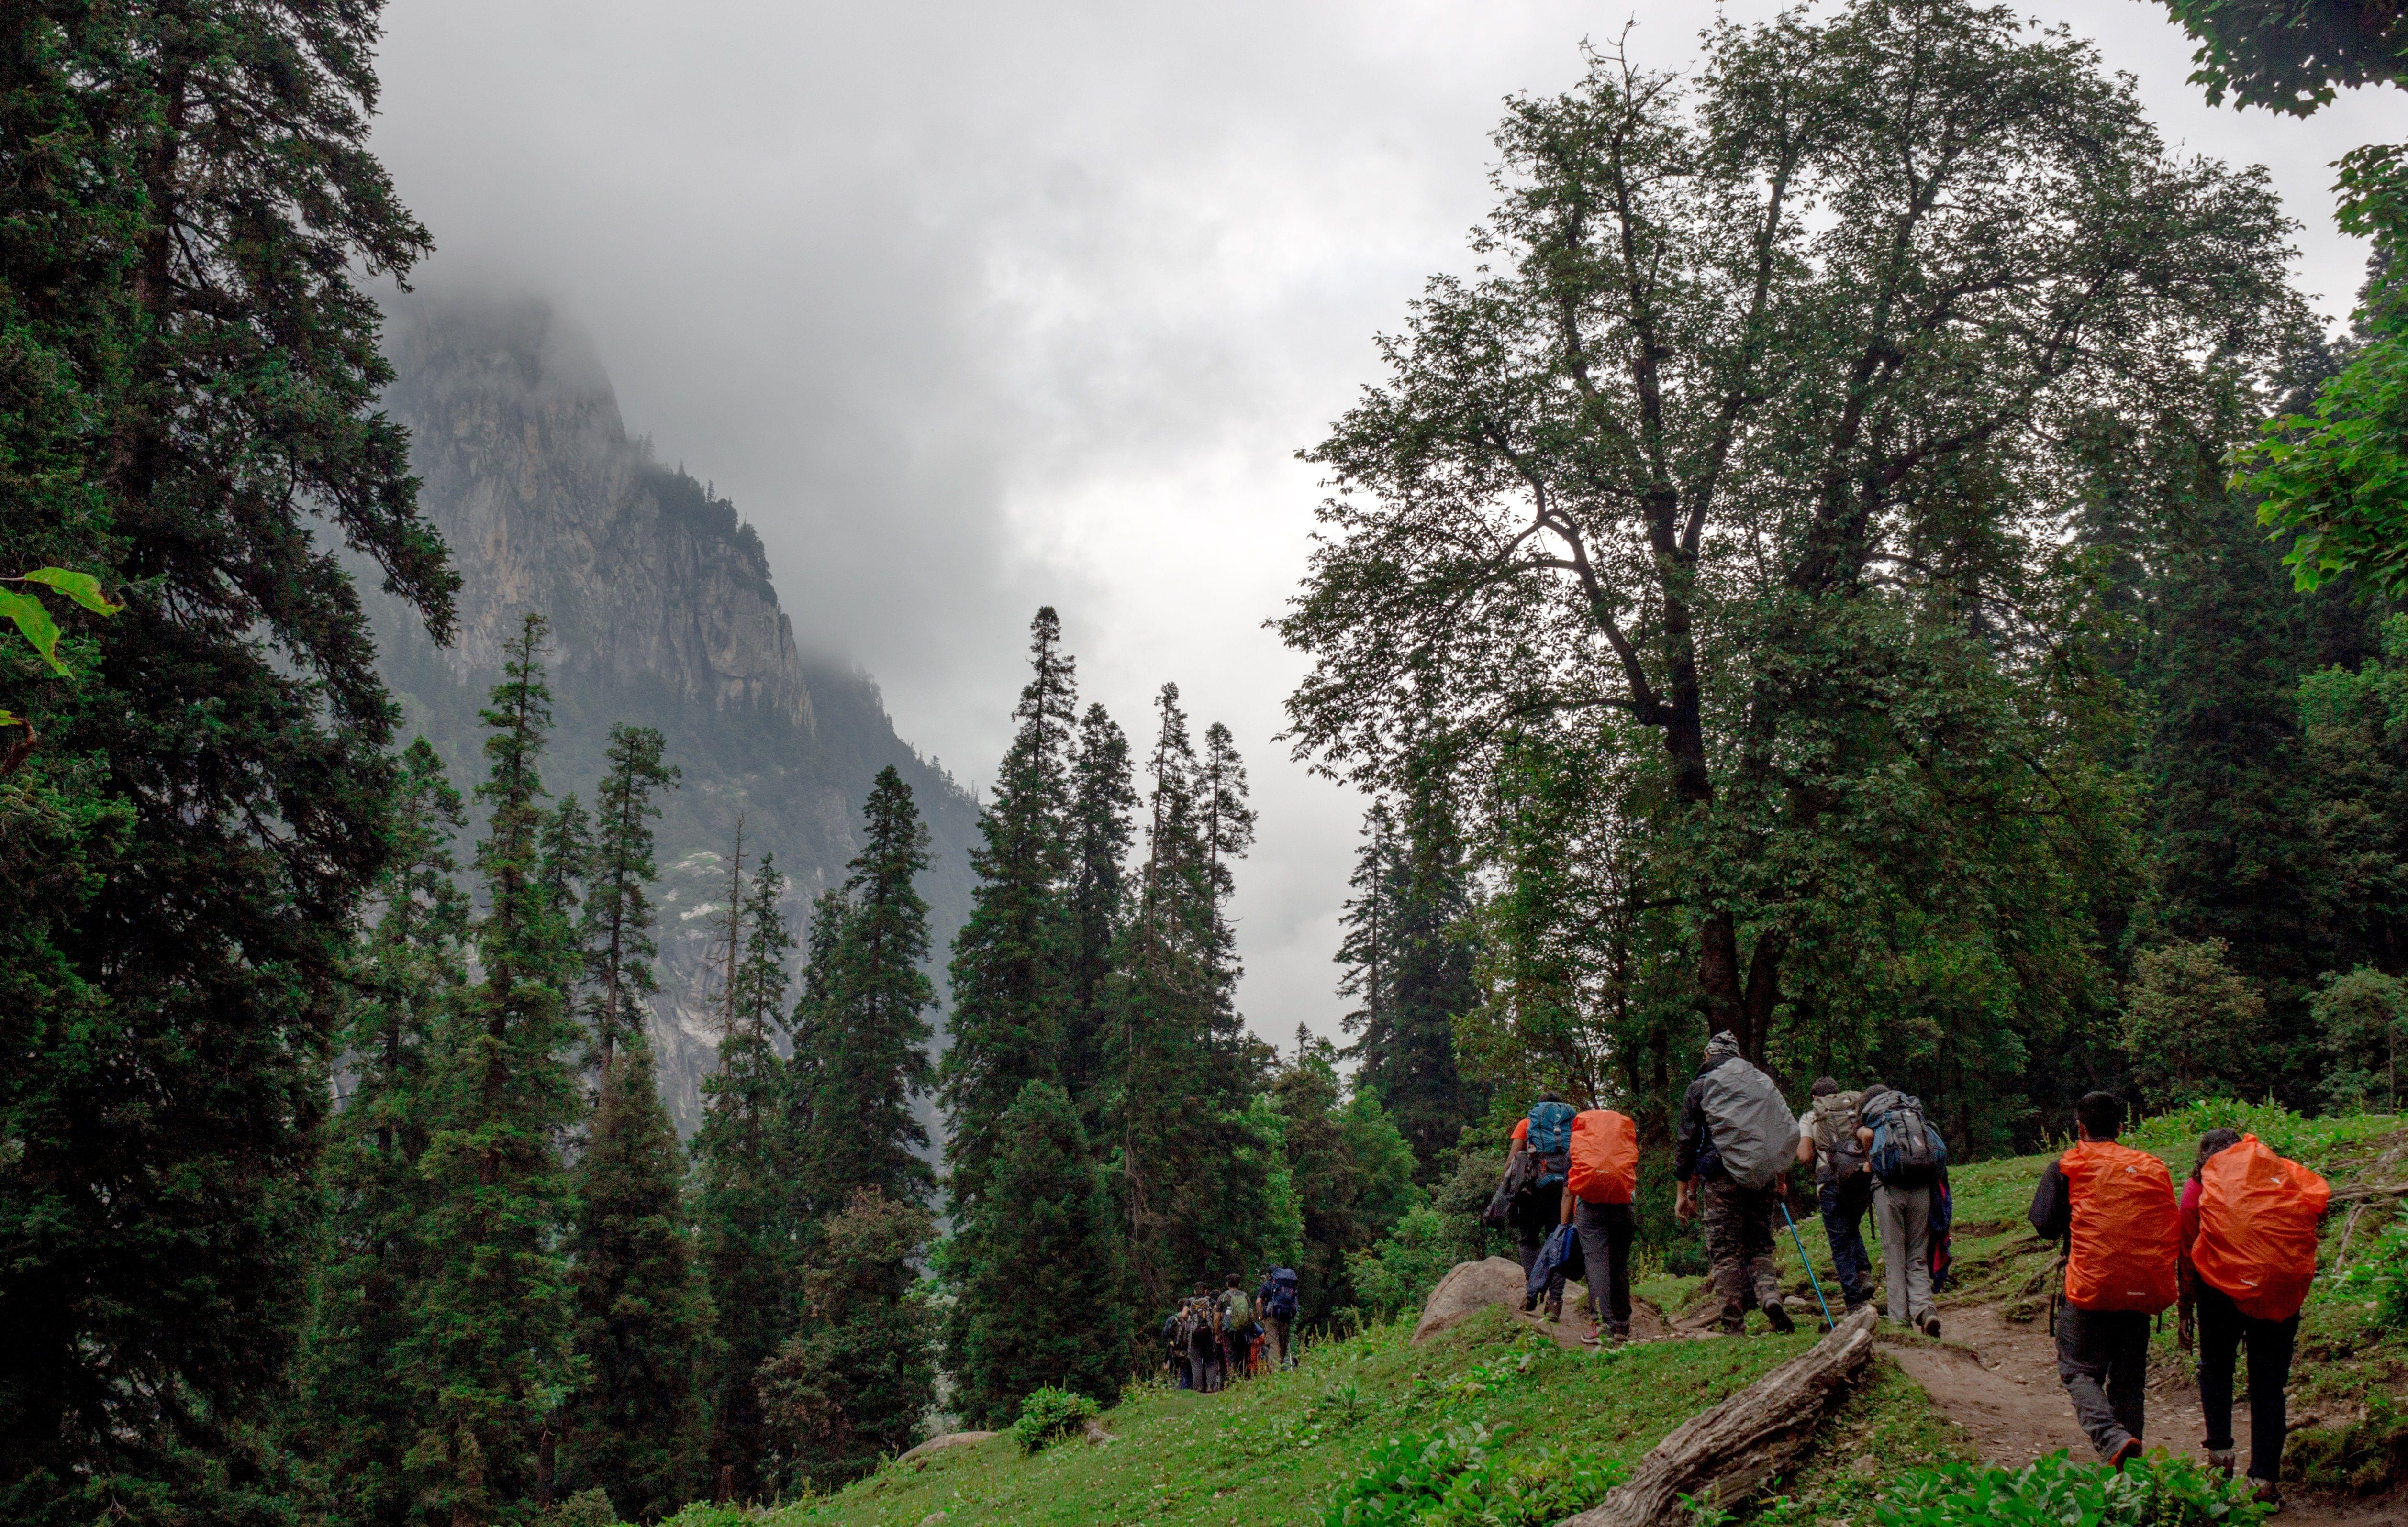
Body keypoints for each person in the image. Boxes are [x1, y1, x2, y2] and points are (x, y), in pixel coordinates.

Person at [2029, 1091, 2180, 1469]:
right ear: (2120, 1127)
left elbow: (2045, 1226)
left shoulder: (2067, 1165)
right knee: (2129, 1383)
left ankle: (2112, 1438)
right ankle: (2131, 1473)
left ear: (2080, 1127)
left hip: (2090, 1288)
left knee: (2078, 1370)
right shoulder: (2152, 1166)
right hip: (2141, 1289)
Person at [2181, 1127, 2330, 1507]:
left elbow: (2186, 1246)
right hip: (2277, 1291)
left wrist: (2186, 1305)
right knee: (2268, 1386)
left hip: (2218, 1292)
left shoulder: (2199, 1189)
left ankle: (2220, 1460)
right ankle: (2264, 1481)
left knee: (2216, 1368)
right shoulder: (2275, 1180)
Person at [1674, 1031, 1795, 1335]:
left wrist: (1683, 1193)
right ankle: (1769, 1296)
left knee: (1726, 1251)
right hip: (1761, 1176)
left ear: (1708, 1056)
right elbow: (1778, 1131)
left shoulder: (1699, 1087)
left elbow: (1686, 1143)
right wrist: (1780, 1177)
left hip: (1721, 1177)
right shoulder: (1761, 1084)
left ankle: (1733, 1325)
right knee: (1759, 1244)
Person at [1859, 1083, 1942, 1337]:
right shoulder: (1911, 1112)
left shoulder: (1873, 1119)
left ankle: (1899, 1321)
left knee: (1894, 1254)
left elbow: (1867, 1137)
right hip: (1921, 1188)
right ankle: (1925, 1309)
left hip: (1889, 1190)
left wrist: (1870, 1162)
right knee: (1917, 1253)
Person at [1795, 1077, 1876, 1312]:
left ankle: (1854, 1302)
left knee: (1840, 1243)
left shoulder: (1812, 1116)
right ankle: (1863, 1272)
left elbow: (1804, 1156)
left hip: (1830, 1183)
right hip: (1860, 1178)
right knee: (1852, 1228)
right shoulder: (1853, 1113)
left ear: (1814, 1098)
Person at [1561, 1105, 1639, 1341]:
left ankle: (1603, 1325)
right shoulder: (1624, 1141)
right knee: (1619, 1264)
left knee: (1596, 1263)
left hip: (1591, 1208)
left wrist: (1563, 1226)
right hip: (1623, 1207)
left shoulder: (1579, 1142)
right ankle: (1623, 1326)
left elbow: (1568, 1190)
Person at [1515, 1091, 1577, 1320]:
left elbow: (1514, 1158)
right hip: (1564, 1191)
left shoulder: (1528, 1123)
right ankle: (1555, 1302)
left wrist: (1504, 1189)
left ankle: (1532, 1294)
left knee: (1528, 1240)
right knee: (1558, 1241)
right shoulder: (1571, 1127)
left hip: (1534, 1190)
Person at [1257, 1265, 1300, 1371]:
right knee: (1283, 1346)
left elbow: (1258, 1302)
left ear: (1269, 1275)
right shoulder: (1289, 1286)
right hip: (1286, 1318)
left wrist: (1261, 1318)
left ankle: (1275, 1373)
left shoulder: (1268, 1285)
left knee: (1274, 1345)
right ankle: (1282, 1370)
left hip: (1271, 1319)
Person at [1217, 1273, 1256, 1382]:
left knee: (1230, 1355)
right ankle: (1241, 1378)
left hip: (1228, 1331)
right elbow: (1252, 1315)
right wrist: (1251, 1328)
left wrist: (1217, 1332)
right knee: (1241, 1354)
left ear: (1227, 1284)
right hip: (1243, 1331)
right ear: (1239, 1284)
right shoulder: (1245, 1297)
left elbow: (1217, 1317)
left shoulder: (1223, 1297)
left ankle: (1231, 1379)